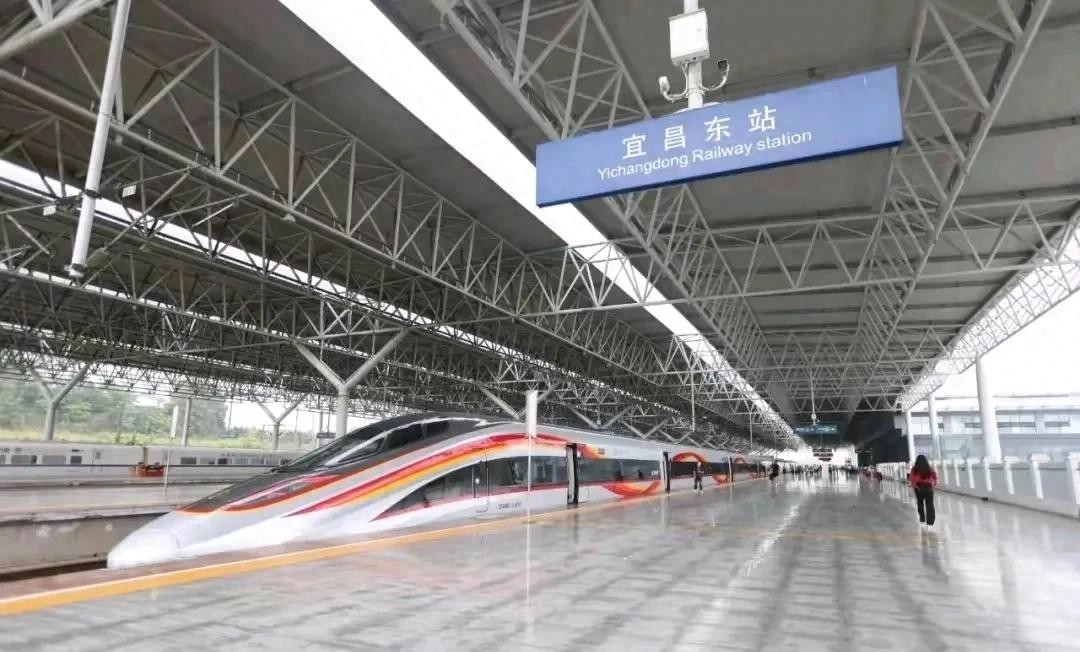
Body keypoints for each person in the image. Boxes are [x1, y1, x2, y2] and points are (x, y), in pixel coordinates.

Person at [908, 455, 938, 527]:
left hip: (919, 487)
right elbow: (935, 477)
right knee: (930, 505)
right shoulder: (929, 468)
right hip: (928, 487)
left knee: (920, 503)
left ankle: (922, 518)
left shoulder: (914, 469)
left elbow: (912, 479)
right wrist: (933, 486)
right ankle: (930, 521)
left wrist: (916, 487)